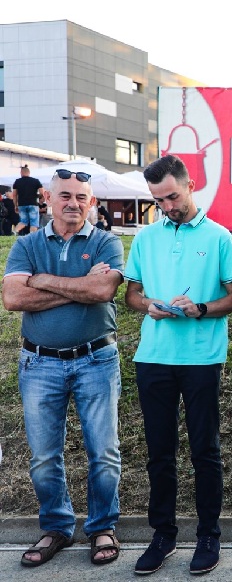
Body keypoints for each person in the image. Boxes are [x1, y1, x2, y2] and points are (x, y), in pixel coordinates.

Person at [124, 155, 232, 576]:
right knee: (159, 453)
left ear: (190, 185)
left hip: (200, 358)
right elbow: (131, 295)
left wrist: (200, 308)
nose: (167, 207)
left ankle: (209, 535)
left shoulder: (218, 236)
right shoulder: (145, 238)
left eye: (172, 197)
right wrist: (149, 305)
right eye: (158, 201)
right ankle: (163, 535)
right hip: (153, 357)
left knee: (204, 451)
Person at [3, 168, 125, 568]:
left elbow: (102, 289)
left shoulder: (107, 241)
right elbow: (13, 299)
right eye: (65, 196)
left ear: (92, 202)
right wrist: (78, 288)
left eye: (81, 197)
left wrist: (42, 281)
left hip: (96, 359)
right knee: (43, 456)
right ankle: (56, 527)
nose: (73, 203)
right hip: (39, 362)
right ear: (47, 199)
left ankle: (102, 526)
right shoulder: (27, 244)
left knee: (103, 452)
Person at [13, 165, 43, 234]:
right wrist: (38, 197)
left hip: (22, 204)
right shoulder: (35, 181)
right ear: (29, 172)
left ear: (21, 173)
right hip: (33, 204)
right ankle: (32, 236)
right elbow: (42, 192)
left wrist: (15, 205)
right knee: (34, 223)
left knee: (23, 222)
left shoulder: (17, 181)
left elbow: (14, 195)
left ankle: (15, 232)